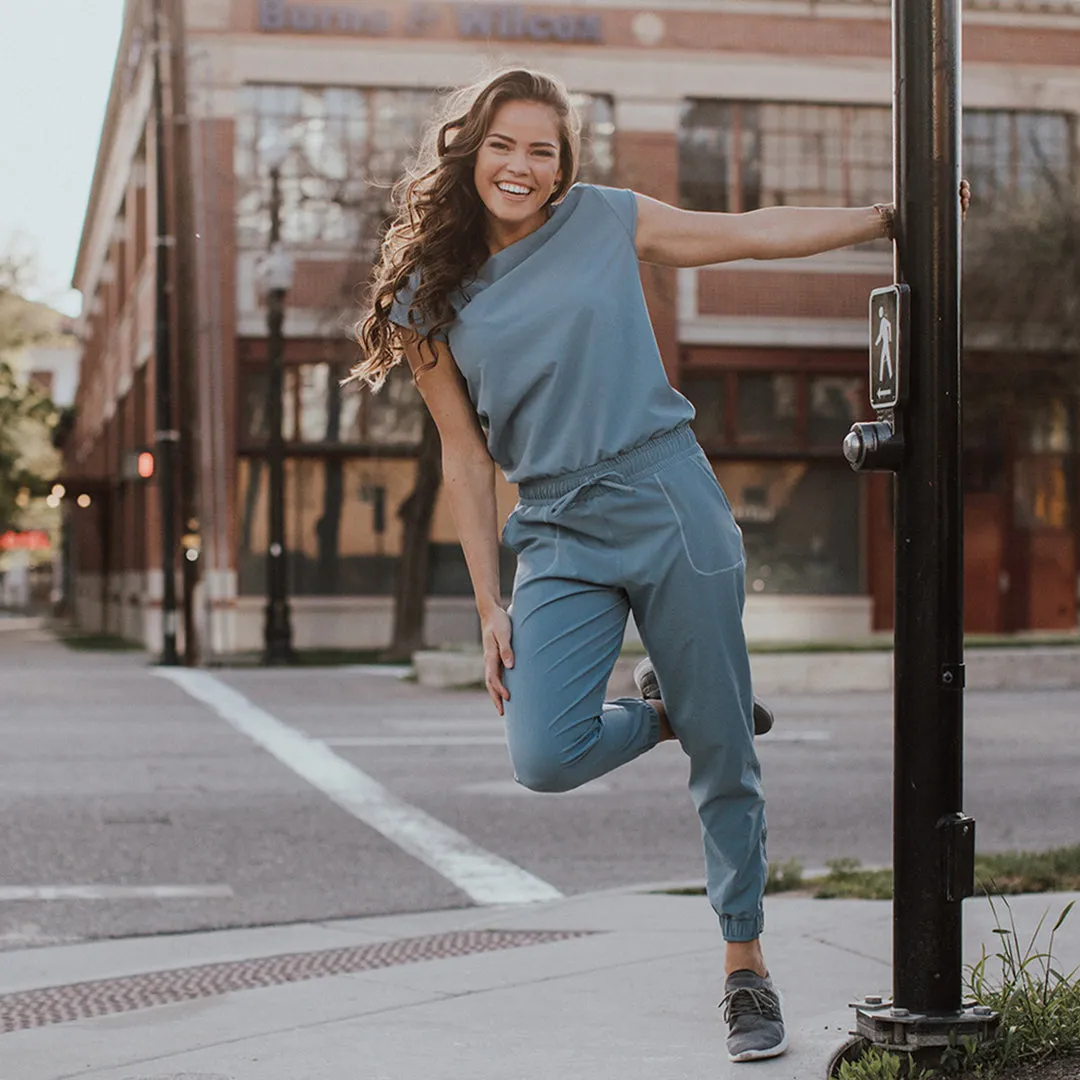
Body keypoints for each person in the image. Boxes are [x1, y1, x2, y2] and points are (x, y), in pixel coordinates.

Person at [351, 68, 970, 1062]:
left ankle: (745, 967)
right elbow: (465, 457)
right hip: (553, 525)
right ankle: (671, 713)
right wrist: (485, 603)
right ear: (470, 151)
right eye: (505, 145)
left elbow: (749, 230)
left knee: (730, 761)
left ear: (563, 168)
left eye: (542, 150)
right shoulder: (431, 293)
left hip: (666, 494)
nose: (522, 165)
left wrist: (890, 218)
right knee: (544, 754)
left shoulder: (603, 219)